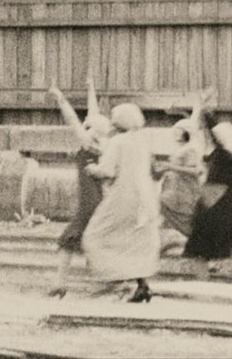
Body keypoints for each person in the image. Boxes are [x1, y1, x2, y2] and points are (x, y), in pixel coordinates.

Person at [81, 102, 160, 303]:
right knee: (132, 239)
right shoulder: (143, 140)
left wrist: (92, 169)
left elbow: (107, 171)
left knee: (95, 236)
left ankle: (117, 281)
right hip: (143, 195)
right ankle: (142, 285)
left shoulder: (118, 142)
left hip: (122, 194)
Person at [46, 77, 112, 297]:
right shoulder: (103, 144)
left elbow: (72, 119)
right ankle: (64, 282)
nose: (86, 121)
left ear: (92, 129)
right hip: (99, 197)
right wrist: (91, 87)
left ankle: (60, 283)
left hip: (89, 200)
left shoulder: (87, 142)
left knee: (70, 239)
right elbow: (93, 114)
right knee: (87, 238)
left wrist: (60, 98)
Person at [183, 112, 232, 278]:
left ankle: (202, 282)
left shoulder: (224, 152)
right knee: (209, 247)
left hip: (212, 202)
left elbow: (212, 130)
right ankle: (205, 278)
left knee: (199, 249)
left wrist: (204, 112)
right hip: (221, 201)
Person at [157, 94, 207, 254]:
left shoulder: (190, 149)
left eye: (179, 131)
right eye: (175, 131)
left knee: (184, 219)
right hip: (174, 188)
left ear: (186, 133)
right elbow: (193, 120)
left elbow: (196, 170)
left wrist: (170, 167)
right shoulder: (184, 147)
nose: (175, 134)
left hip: (184, 190)